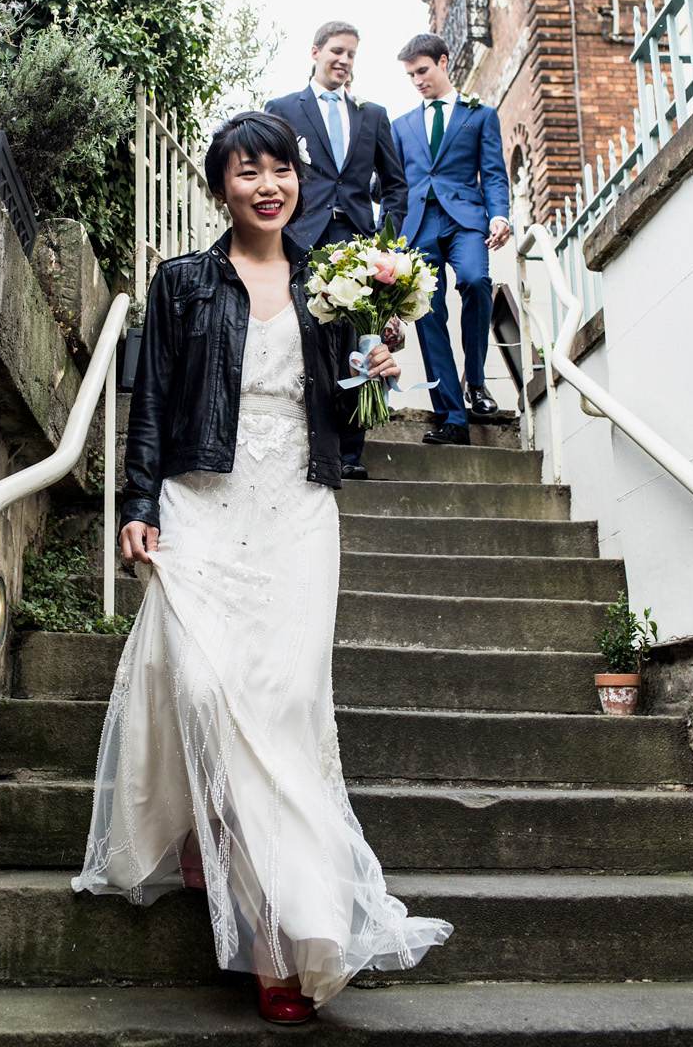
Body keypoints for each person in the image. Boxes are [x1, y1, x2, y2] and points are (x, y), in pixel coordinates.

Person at [72, 111, 452, 1022]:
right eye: (247, 172)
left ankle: (284, 939)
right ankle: (217, 834)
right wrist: (136, 506)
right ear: (221, 188)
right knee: (204, 688)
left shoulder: (336, 281)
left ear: (298, 180)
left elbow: (353, 404)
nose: (267, 185)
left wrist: (376, 366)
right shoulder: (183, 283)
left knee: (281, 712)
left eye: (280, 169)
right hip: (202, 502)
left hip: (298, 509)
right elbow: (153, 397)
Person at [264, 21, 409, 479]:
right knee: (304, 334)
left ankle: (350, 452)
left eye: (351, 55)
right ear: (315, 52)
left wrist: (385, 242)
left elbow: (395, 185)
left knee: (357, 339)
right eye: (337, 51)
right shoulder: (283, 107)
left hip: (356, 242)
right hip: (301, 236)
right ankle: (305, 440)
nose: (344, 61)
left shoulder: (373, 114)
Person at [391, 33, 511, 447]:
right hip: (418, 225)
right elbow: (391, 183)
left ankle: (475, 382)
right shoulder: (400, 126)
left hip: (466, 219)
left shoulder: (480, 115)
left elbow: (494, 172)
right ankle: (452, 416)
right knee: (427, 312)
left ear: (443, 62)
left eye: (422, 71)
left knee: (476, 282)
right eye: (410, 75)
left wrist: (499, 214)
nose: (417, 81)